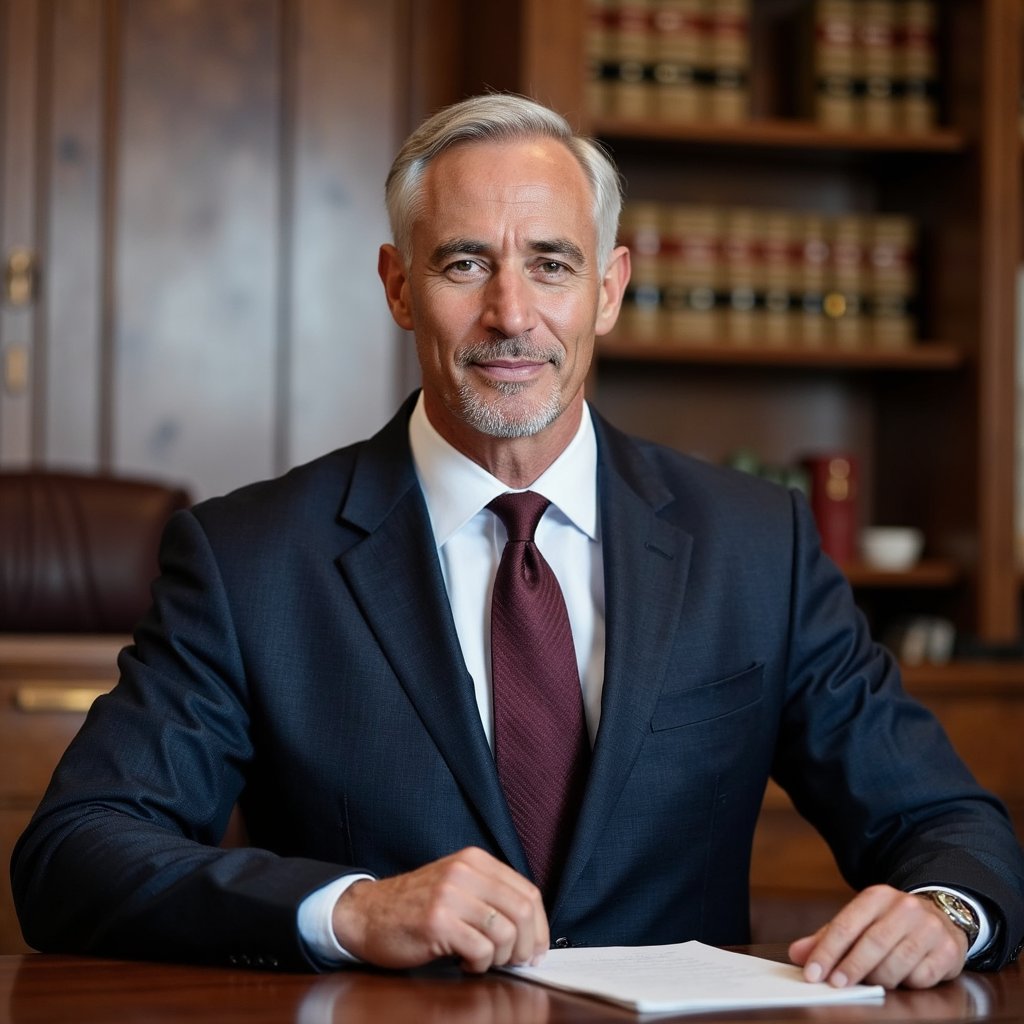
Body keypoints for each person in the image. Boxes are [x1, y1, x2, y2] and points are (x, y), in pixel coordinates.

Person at [12, 94, 1024, 990]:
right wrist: (352, 910)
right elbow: (75, 855)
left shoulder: (755, 545)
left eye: (551, 264)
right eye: (463, 263)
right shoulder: (250, 560)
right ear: (399, 286)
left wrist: (943, 913)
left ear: (610, 288)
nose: (511, 314)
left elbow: (949, 824)